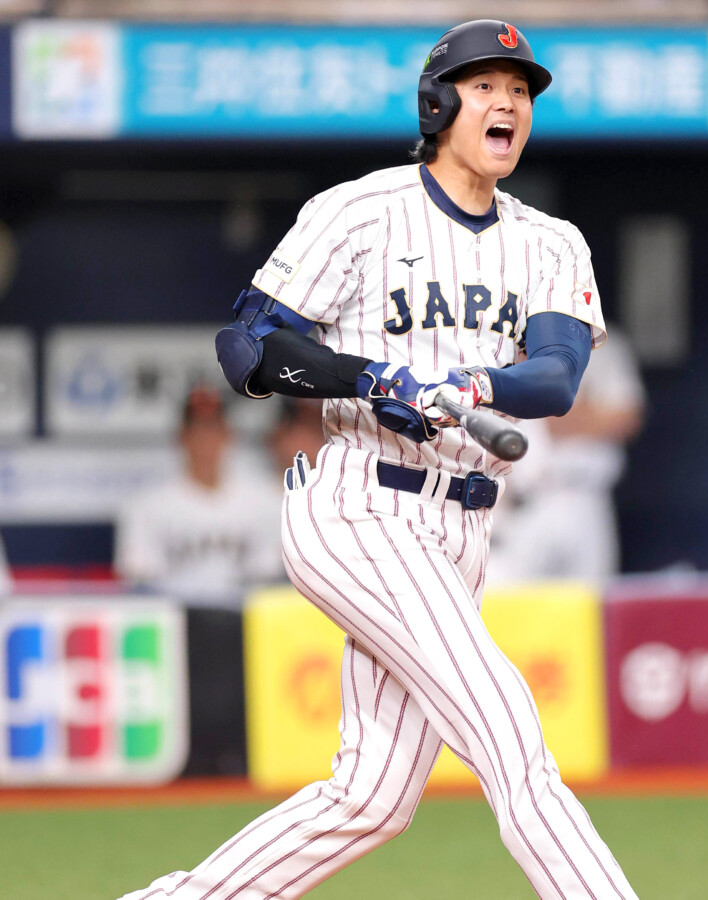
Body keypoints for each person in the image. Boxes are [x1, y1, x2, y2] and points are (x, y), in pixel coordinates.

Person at [119, 20, 639, 900]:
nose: (508, 101)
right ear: (439, 105)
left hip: (463, 522)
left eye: (521, 90)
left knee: (372, 798)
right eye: (486, 85)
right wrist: (364, 375)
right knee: (508, 731)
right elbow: (247, 345)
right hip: (360, 503)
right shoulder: (361, 210)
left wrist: (470, 384)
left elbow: (555, 378)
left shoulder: (552, 241)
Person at [488, 326, 645, 587]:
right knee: (517, 605)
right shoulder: (507, 338)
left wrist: (554, 407)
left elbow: (627, 418)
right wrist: (587, 407)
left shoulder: (605, 342)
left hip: (587, 498)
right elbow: (546, 413)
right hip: (528, 504)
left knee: (592, 606)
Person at [114, 383, 283, 606]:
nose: (205, 439)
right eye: (197, 428)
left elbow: (270, 582)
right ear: (181, 436)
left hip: (243, 619)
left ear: (227, 434)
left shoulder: (266, 500)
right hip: (176, 621)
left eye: (212, 428)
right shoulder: (146, 506)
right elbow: (141, 586)